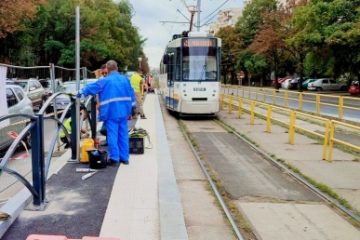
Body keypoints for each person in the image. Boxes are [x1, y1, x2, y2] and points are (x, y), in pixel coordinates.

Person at [78, 60, 135, 165]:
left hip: (111, 112)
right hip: (124, 112)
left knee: (112, 135)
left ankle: (115, 159)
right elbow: (132, 94)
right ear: (117, 68)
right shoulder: (125, 80)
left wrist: (80, 93)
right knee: (123, 135)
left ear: (107, 69)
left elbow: (92, 88)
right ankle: (125, 158)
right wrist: (131, 110)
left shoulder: (105, 81)